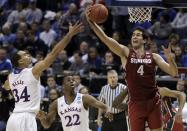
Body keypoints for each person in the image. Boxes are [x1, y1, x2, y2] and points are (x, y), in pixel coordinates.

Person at [86, 7, 178, 131]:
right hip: (135, 103)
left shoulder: (154, 57)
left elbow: (174, 72)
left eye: (138, 35)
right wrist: (92, 23)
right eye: (133, 35)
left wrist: (171, 59)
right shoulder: (126, 53)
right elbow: (105, 40)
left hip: (153, 101)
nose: (134, 37)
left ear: (144, 40)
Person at [3, 22, 84, 131]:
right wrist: (69, 35)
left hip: (13, 118)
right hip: (26, 119)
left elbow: (6, 87)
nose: (28, 55)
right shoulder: (33, 71)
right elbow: (54, 53)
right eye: (25, 55)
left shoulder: (10, 77)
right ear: (21, 61)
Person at [37, 74, 109, 131]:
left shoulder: (84, 98)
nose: (72, 81)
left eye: (73, 80)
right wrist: (42, 118)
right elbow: (46, 125)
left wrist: (108, 112)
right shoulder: (56, 104)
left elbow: (104, 106)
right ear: (63, 85)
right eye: (68, 80)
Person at [112, 86, 186, 131]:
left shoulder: (159, 91)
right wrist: (128, 88)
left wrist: (179, 111)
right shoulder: (134, 102)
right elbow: (115, 104)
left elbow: (182, 94)